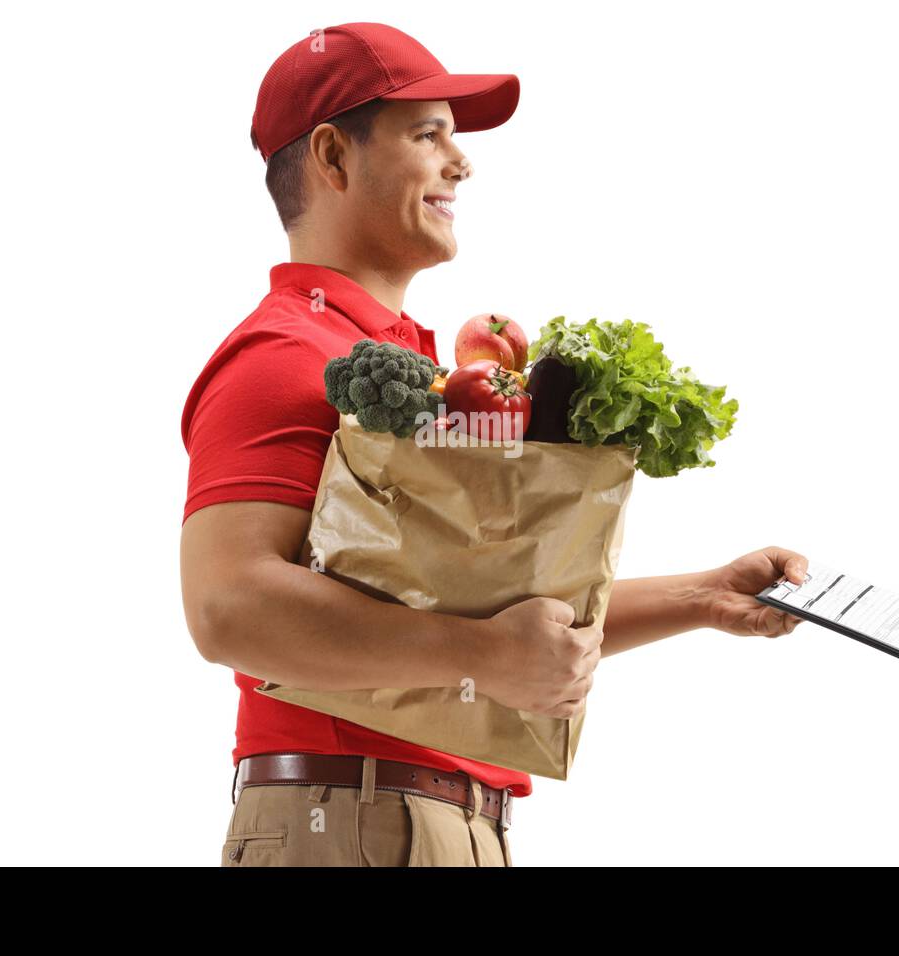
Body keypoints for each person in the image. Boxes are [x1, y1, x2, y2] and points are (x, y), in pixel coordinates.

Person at [179, 22, 810, 867]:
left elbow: (488, 617)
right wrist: (484, 657)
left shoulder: (411, 369)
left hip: (429, 824)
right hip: (349, 817)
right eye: (428, 133)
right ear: (333, 157)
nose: (461, 161)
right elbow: (229, 607)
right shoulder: (283, 355)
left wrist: (704, 596)